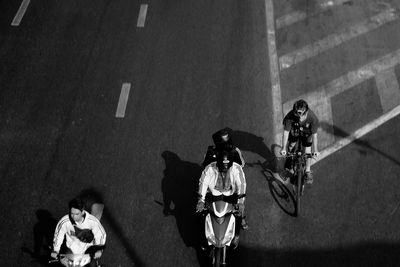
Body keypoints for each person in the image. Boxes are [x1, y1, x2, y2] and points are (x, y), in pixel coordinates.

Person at [196, 151, 247, 248]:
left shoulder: (236, 168)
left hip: (231, 194)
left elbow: (241, 184)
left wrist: (240, 203)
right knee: (200, 213)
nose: (225, 170)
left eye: (227, 167)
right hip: (213, 194)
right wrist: (200, 201)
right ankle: (203, 236)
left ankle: (236, 235)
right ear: (218, 163)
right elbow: (203, 183)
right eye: (222, 167)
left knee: (239, 213)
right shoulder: (210, 168)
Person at [51, 198, 106, 266]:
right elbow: (58, 235)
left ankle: (96, 209)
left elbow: (101, 235)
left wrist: (99, 250)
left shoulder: (92, 222)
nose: (73, 217)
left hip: (88, 249)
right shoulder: (64, 222)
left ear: (82, 212)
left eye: (77, 214)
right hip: (71, 249)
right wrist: (56, 250)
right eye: (72, 213)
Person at [280, 99, 319, 184]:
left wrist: (315, 150)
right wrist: (283, 148)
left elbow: (314, 136)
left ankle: (308, 171)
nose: (298, 116)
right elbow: (286, 133)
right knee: (290, 146)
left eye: (301, 113)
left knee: (308, 151)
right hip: (295, 131)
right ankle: (288, 163)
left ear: (306, 112)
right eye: (296, 113)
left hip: (307, 134)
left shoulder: (312, 118)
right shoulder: (290, 116)